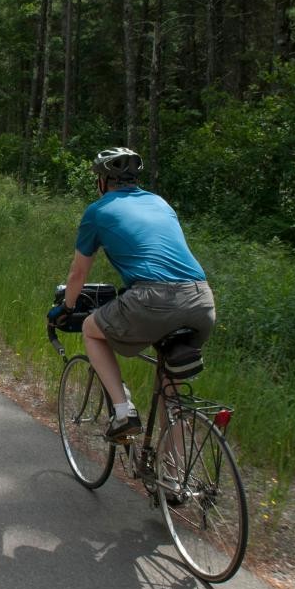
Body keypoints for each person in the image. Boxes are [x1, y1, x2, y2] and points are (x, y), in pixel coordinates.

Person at [48, 147, 215, 440]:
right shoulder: (160, 203)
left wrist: (67, 308)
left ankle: (123, 411)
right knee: (170, 394)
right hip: (201, 299)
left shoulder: (98, 211)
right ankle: (174, 479)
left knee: (90, 329)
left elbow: (78, 274)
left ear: (103, 181)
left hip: (154, 298)